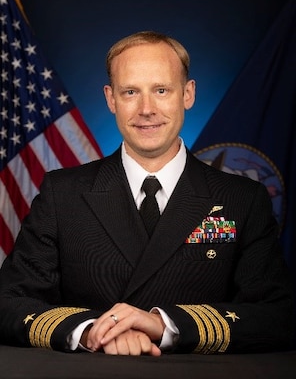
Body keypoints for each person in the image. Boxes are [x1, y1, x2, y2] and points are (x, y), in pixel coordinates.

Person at [0, 31, 294, 356]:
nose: (146, 109)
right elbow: (8, 302)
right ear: (111, 99)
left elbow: (278, 315)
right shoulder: (62, 194)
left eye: (162, 90)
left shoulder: (243, 200)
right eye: (130, 92)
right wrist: (92, 331)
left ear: (188, 93)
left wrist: (165, 324)